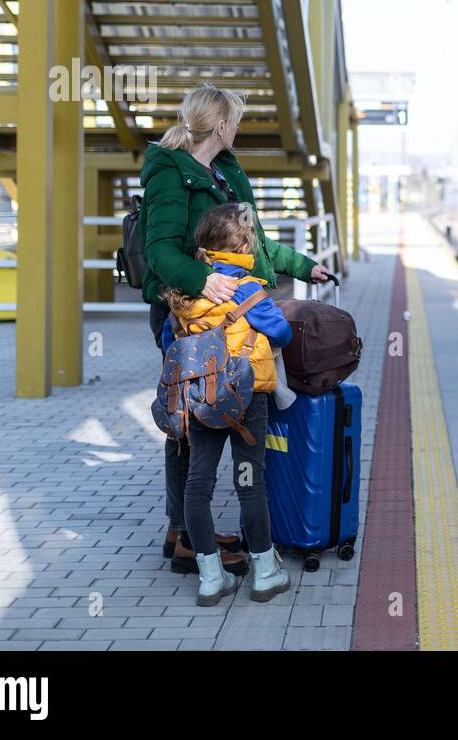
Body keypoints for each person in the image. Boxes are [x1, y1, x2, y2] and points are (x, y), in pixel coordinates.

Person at [140, 84, 331, 574]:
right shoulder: (170, 174)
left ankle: (190, 530)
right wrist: (206, 280)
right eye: (237, 120)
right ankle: (183, 535)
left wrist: (304, 267)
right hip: (191, 316)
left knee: (210, 414)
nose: (239, 128)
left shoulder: (224, 173)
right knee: (189, 420)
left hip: (236, 319)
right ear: (221, 125)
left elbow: (256, 244)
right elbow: (160, 252)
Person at [162, 202, 293, 605]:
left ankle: (209, 576)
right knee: (249, 482)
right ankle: (265, 571)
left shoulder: (185, 293)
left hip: (200, 397)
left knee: (197, 483)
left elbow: (172, 348)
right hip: (245, 395)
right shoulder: (249, 288)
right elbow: (282, 333)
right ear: (244, 244)